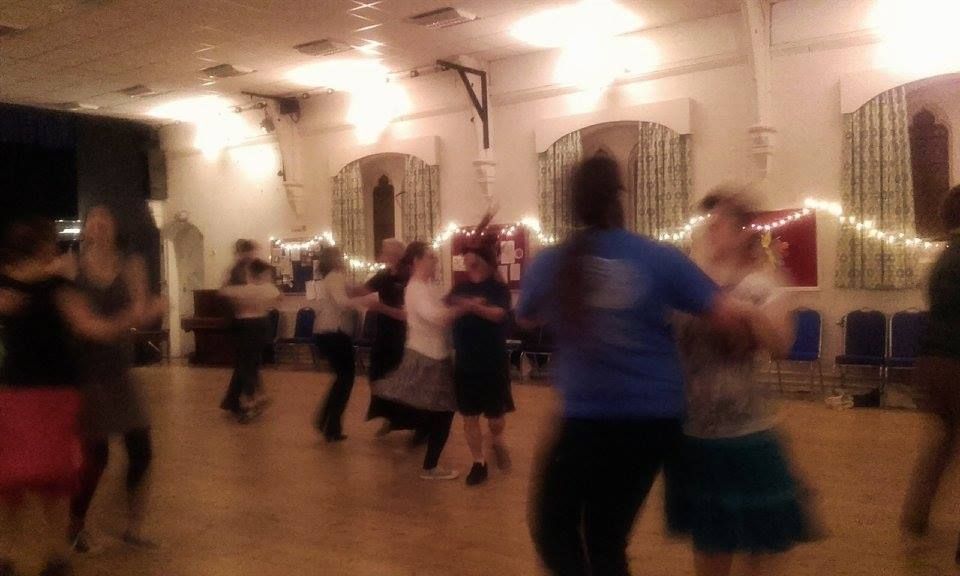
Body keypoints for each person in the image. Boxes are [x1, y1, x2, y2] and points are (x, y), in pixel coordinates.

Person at [517, 156, 745, 575]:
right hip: (653, 420)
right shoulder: (656, 257)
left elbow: (526, 317)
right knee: (606, 536)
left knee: (553, 529)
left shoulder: (555, 261)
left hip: (587, 420)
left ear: (573, 202)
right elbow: (726, 315)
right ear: (620, 199)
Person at [672, 191, 814, 576]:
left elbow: (782, 344)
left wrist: (747, 313)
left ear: (740, 232)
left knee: (761, 545)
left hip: (747, 433)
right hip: (698, 435)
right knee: (711, 547)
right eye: (709, 225)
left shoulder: (762, 284)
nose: (709, 232)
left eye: (717, 225)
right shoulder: (688, 281)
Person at [68, 205, 164, 552]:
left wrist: (152, 308)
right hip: (86, 373)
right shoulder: (72, 266)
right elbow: (86, 323)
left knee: (141, 450)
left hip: (120, 372)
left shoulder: (131, 265)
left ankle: (132, 527)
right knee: (98, 457)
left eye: (105, 219)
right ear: (86, 230)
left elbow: (143, 307)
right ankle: (76, 522)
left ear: (114, 227)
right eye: (92, 220)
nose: (99, 225)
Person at [371, 242, 469, 480]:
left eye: (435, 257)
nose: (435, 261)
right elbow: (437, 318)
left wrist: (455, 303)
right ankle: (430, 466)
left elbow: (438, 309)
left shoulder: (427, 287)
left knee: (435, 411)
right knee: (442, 412)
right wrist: (465, 308)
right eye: (430, 257)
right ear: (415, 261)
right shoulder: (416, 288)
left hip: (434, 356)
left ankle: (423, 457)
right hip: (428, 358)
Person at [902, 184, 960, 543]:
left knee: (943, 440)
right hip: (955, 362)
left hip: (931, 362)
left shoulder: (943, 258)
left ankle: (916, 515)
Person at [449, 232, 514, 486]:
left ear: (483, 260)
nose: (467, 260)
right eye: (466, 256)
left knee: (496, 419)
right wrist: (463, 305)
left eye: (472, 256)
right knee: (469, 416)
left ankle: (496, 439)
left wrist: (472, 306)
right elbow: (448, 311)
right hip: (465, 361)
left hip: (492, 361)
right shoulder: (459, 287)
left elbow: (498, 314)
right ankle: (478, 462)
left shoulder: (498, 288)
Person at [359, 239, 419, 435]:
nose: (382, 252)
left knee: (402, 379)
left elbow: (406, 314)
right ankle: (391, 417)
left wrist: (380, 307)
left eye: (385, 249)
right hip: (383, 334)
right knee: (377, 376)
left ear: (396, 253)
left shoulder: (409, 277)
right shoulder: (384, 275)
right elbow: (362, 290)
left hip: (403, 337)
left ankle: (414, 423)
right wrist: (337, 284)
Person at [219, 258, 280, 422]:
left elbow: (223, 292)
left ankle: (252, 400)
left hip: (246, 327)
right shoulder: (267, 289)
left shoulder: (243, 290)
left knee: (246, 365)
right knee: (251, 363)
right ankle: (251, 398)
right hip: (262, 326)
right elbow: (277, 296)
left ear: (249, 273)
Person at [313, 247, 363, 442]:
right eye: (340, 255)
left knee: (342, 379)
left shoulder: (332, 277)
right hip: (333, 333)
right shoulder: (335, 276)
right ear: (334, 259)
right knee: (345, 379)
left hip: (329, 332)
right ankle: (328, 423)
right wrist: (366, 299)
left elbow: (347, 292)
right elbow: (343, 302)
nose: (343, 258)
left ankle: (329, 424)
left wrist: (357, 291)